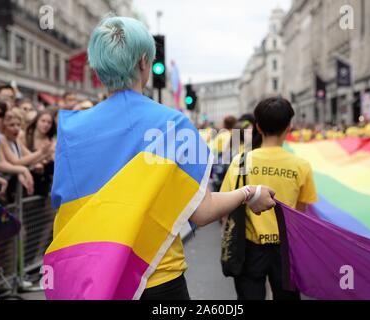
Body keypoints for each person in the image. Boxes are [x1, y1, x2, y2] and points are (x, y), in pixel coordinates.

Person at [44, 16, 276, 301]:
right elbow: (202, 212)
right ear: (144, 62)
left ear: (96, 66)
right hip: (155, 277)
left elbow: (64, 205)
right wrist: (250, 192)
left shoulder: (71, 128)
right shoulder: (172, 124)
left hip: (91, 277)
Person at [220, 97, 318, 300]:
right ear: (289, 127)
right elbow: (300, 213)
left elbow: (225, 204)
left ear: (258, 127)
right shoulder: (301, 166)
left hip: (248, 248)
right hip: (285, 248)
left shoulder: (241, 161)